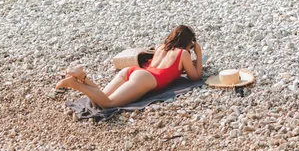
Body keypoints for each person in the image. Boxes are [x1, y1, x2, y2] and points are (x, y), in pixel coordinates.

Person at [55, 25, 203, 109]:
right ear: (188, 41)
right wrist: (198, 53)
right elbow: (195, 77)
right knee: (108, 104)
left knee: (98, 101)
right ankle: (74, 83)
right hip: (146, 79)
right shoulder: (183, 54)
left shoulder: (161, 47)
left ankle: (83, 77)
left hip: (133, 71)